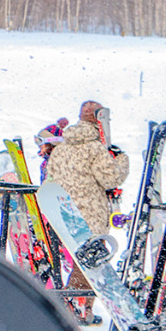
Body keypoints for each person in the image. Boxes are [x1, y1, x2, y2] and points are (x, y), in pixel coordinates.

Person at [44, 101, 128, 241]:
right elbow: (111, 179)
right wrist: (121, 160)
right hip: (91, 223)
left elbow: (50, 181)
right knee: (92, 261)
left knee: (69, 261)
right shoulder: (95, 148)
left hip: (64, 218)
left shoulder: (59, 149)